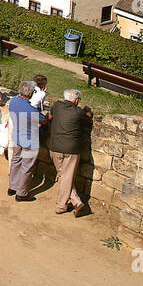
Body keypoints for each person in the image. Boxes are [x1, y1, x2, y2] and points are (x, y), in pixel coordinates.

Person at [46, 87, 93, 217]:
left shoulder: (56, 106)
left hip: (55, 147)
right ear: (76, 100)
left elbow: (51, 115)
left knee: (63, 176)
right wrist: (88, 111)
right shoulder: (78, 113)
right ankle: (61, 206)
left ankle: (77, 202)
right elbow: (87, 119)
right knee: (67, 177)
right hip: (71, 149)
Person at [7, 80, 47, 202]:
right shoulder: (31, 110)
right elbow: (43, 120)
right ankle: (21, 193)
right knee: (27, 166)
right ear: (30, 93)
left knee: (15, 160)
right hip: (30, 141)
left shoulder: (14, 101)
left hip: (17, 136)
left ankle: (12, 187)